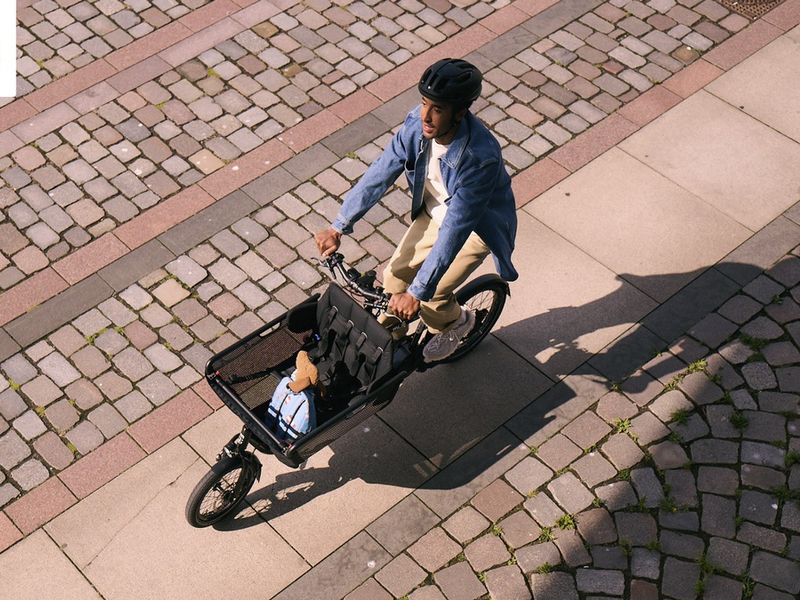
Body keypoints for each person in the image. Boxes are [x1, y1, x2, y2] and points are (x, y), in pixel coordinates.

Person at [315, 58, 518, 362]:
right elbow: (379, 173)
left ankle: (458, 322)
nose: (426, 115)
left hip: (475, 229)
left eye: (438, 109)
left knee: (432, 297)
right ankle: (390, 352)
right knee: (393, 277)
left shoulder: (479, 159)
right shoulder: (416, 125)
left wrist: (418, 292)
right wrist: (338, 227)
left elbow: (455, 229)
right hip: (435, 212)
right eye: (424, 103)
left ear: (460, 113)